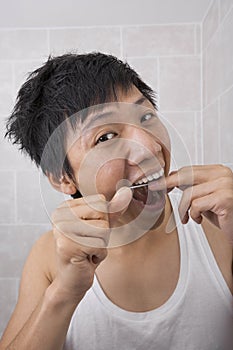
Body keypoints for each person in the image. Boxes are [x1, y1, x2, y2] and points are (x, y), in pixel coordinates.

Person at [0, 52, 232, 350]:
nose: (149, 146)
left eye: (146, 117)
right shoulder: (49, 256)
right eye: (106, 137)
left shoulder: (217, 227)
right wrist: (64, 293)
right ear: (63, 178)